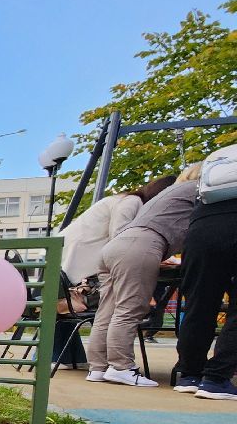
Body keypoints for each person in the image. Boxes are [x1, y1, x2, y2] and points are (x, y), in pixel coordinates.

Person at [88, 164, 202, 387]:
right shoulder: (197, 191)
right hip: (143, 245)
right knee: (130, 309)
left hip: (115, 247)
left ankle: (98, 367)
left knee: (107, 311)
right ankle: (121, 367)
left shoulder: (168, 194)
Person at [176, 145, 237, 399]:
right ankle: (217, 378)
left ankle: (189, 374)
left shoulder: (221, 156)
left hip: (201, 229)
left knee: (198, 303)